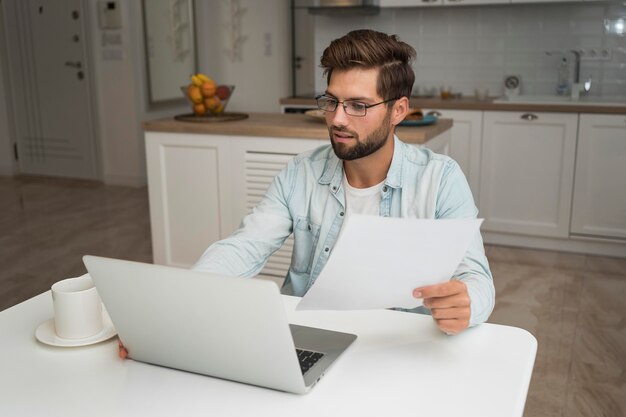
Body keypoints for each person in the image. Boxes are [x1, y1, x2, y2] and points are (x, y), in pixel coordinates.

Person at [119, 29, 494, 359]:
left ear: (398, 110)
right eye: (331, 101)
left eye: (358, 105)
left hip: (400, 348)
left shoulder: (441, 179)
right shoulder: (300, 172)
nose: (338, 119)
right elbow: (243, 247)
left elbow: (477, 279)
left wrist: (466, 303)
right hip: (309, 341)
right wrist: (171, 308)